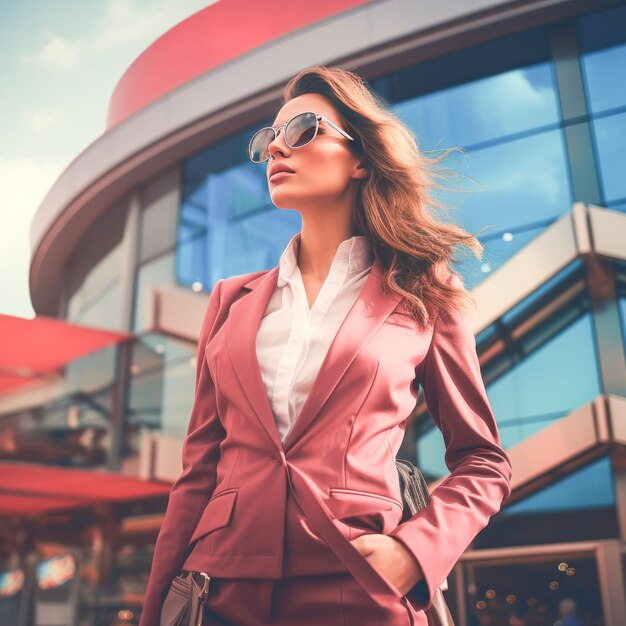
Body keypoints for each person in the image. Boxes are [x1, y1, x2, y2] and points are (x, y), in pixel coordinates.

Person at [138, 65, 513, 626]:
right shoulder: (228, 302)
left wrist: (417, 551)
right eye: (267, 139)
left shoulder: (424, 294)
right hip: (219, 589)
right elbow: (198, 474)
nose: (275, 150)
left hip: (357, 583)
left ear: (360, 158)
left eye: (301, 130)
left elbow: (483, 461)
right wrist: (154, 611)